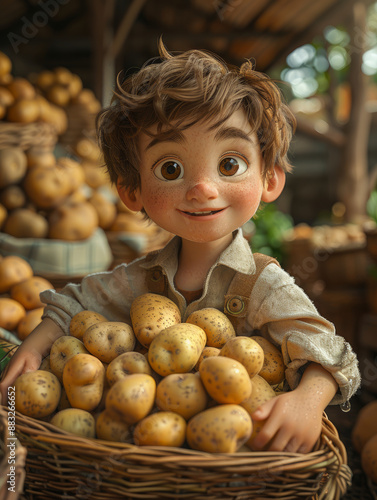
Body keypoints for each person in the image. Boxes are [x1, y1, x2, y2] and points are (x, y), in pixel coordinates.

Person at [0, 40, 360, 453]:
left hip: (236, 454)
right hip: (148, 445)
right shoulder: (139, 277)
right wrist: (34, 344)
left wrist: (307, 401)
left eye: (230, 164)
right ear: (131, 191)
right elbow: (75, 303)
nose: (203, 188)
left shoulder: (263, 284)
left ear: (270, 180)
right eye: (170, 168)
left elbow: (327, 349)